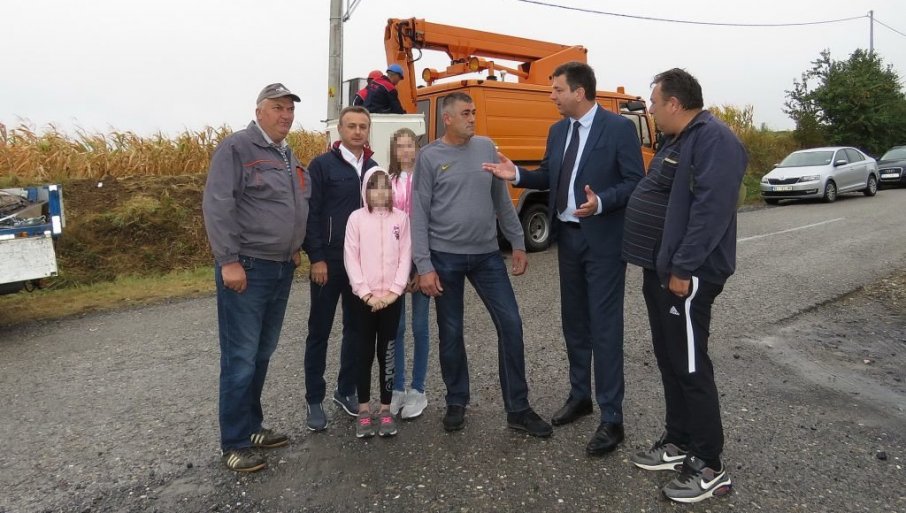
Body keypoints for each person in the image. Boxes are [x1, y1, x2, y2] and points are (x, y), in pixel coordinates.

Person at [483, 62, 644, 455]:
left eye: (557, 90)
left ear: (579, 92)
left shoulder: (618, 129)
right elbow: (550, 175)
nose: (552, 96)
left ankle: (612, 417)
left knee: (605, 327)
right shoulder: (558, 131)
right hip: (568, 239)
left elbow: (635, 181)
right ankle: (580, 396)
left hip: (603, 241)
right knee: (574, 323)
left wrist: (602, 201)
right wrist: (517, 174)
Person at [622, 68, 746, 503]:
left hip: (687, 275)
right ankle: (679, 442)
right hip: (662, 270)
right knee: (671, 358)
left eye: (655, 103)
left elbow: (712, 211)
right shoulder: (679, 139)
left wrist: (683, 267)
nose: (651, 110)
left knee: (691, 364)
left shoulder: (715, 140)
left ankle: (710, 464)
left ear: (675, 103)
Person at [411, 92, 551, 437]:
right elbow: (419, 213)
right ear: (447, 119)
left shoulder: (487, 148)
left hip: (487, 255)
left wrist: (517, 242)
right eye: (465, 113)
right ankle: (456, 400)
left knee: (511, 324)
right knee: (451, 332)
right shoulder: (429, 157)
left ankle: (518, 408)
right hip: (445, 257)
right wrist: (424, 266)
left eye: (473, 112)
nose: (472, 118)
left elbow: (501, 199)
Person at [202, 83, 309, 472]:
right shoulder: (237, 148)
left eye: (290, 109)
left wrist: (293, 246)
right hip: (247, 267)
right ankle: (234, 442)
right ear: (259, 111)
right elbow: (218, 205)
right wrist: (228, 260)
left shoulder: (287, 154)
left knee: (262, 353)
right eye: (278, 108)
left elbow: (293, 205)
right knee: (241, 356)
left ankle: (252, 427)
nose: (286, 115)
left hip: (280, 267)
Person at [303, 105, 378, 431]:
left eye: (363, 126)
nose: (357, 131)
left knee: (357, 330)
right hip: (329, 262)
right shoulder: (322, 166)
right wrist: (316, 257)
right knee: (319, 330)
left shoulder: (373, 168)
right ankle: (314, 399)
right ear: (340, 130)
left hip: (360, 264)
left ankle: (345, 390)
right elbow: (311, 213)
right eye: (351, 126)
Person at [344, 167, 411, 438]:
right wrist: (365, 293)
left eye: (385, 186)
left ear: (391, 190)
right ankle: (363, 409)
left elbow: (405, 256)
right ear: (366, 190)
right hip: (364, 300)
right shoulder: (356, 219)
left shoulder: (401, 219)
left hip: (391, 300)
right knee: (363, 353)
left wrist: (395, 292)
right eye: (374, 186)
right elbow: (351, 257)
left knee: (387, 353)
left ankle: (385, 409)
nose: (380, 192)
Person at [386, 128, 431, 419]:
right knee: (397, 328)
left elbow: (430, 222)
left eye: (410, 145)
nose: (405, 151)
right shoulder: (388, 182)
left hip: (422, 262)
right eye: (400, 146)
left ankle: (418, 388)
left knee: (420, 326)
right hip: (395, 266)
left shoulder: (424, 181)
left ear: (417, 148)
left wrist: (421, 266)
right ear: (394, 150)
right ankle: (397, 387)